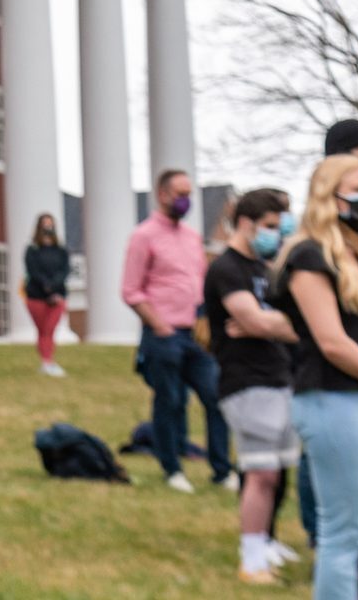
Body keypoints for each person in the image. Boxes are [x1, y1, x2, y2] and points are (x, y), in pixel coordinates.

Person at [271, 154, 358, 600]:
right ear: (329, 196)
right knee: (345, 535)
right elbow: (331, 341)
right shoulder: (307, 256)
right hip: (335, 401)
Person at [207, 188, 302, 585]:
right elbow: (258, 321)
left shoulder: (264, 267)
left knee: (275, 474)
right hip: (247, 382)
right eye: (268, 227)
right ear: (246, 223)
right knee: (260, 475)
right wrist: (299, 326)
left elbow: (269, 321)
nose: (274, 235)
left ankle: (263, 545)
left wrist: (274, 324)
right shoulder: (226, 269)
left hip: (279, 377)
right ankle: (251, 561)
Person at [124, 168, 235, 494]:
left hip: (195, 335)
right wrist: (158, 324)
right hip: (163, 334)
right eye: (180, 194)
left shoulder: (191, 237)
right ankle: (172, 467)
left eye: (190, 194)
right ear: (162, 195)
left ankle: (221, 469)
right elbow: (131, 290)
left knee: (216, 397)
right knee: (170, 401)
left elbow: (201, 281)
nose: (186, 200)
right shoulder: (143, 236)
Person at [24, 213, 72, 377]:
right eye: (45, 224)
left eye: (50, 224)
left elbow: (65, 270)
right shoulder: (32, 250)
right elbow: (33, 271)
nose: (47, 228)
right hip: (37, 296)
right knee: (42, 330)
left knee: (50, 330)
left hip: (58, 297)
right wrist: (47, 287)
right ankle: (46, 362)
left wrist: (55, 288)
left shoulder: (61, 251)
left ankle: (48, 361)